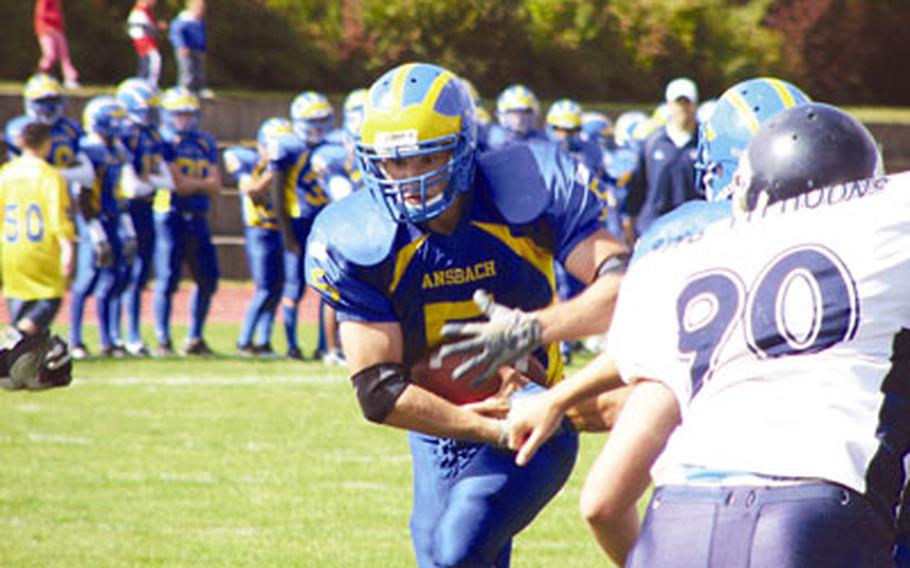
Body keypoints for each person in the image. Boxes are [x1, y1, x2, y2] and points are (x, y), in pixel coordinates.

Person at [305, 62, 628, 567]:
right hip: (438, 426)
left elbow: (625, 287)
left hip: (533, 411)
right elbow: (377, 390)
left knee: (459, 550)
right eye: (393, 162)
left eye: (425, 156)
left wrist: (531, 331)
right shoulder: (356, 235)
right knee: (442, 557)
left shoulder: (527, 184)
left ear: (462, 145)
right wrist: (481, 428)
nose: (409, 179)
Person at [504, 76, 813, 565]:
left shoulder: (686, 241)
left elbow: (607, 489)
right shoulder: (874, 237)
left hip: (711, 508)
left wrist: (550, 399)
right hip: (852, 497)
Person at [587, 103, 896, 567]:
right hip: (816, 508)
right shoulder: (887, 223)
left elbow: (603, 501)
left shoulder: (679, 258)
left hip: (677, 513)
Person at [152, 87, 220, 356]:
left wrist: (195, 185)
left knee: (208, 278)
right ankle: (162, 339)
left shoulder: (205, 141)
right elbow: (177, 186)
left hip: (198, 216)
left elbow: (216, 184)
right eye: (179, 114)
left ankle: (194, 337)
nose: (185, 120)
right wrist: (199, 185)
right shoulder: (164, 141)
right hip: (170, 215)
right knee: (168, 279)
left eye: (190, 114)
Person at [68, 97, 135, 359]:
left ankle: (108, 340)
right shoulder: (88, 150)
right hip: (93, 220)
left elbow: (119, 192)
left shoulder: (117, 150)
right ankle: (76, 339)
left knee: (113, 279)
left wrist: (127, 226)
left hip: (113, 217)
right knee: (87, 280)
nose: (120, 127)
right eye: (115, 122)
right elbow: (82, 194)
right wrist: (95, 232)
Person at [114, 78, 174, 356]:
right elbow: (131, 185)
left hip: (146, 208)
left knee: (139, 275)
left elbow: (168, 180)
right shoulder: (123, 134)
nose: (150, 113)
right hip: (124, 210)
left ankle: (133, 335)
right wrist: (152, 182)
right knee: (120, 275)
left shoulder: (153, 135)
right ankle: (115, 335)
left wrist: (150, 182)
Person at [0, 120, 74, 335]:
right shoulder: (50, 176)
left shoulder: (6, 173)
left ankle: (19, 359)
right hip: (41, 249)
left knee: (19, 303)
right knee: (49, 301)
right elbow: (57, 217)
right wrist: (68, 249)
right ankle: (11, 340)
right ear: (46, 143)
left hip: (11, 248)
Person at [226, 118, 291, 357]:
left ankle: (263, 341)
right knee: (264, 288)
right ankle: (244, 340)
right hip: (259, 231)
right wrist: (272, 172)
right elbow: (252, 190)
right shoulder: (254, 164)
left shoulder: (287, 167)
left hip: (278, 230)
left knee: (276, 288)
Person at [623, 77, 702, 243]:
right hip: (654, 227)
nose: (682, 108)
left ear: (694, 105)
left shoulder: (705, 142)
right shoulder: (653, 142)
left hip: (695, 227)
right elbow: (638, 184)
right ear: (669, 105)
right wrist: (630, 222)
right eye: (678, 103)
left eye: (687, 102)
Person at [482, 83, 548, 152]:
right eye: (514, 112)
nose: (520, 118)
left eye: (526, 112)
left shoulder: (541, 139)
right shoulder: (492, 137)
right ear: (501, 114)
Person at [169, 0, 212, 99]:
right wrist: (181, 45)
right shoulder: (183, 19)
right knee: (187, 69)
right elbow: (176, 34)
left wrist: (203, 49)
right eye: (200, 8)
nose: (202, 11)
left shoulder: (199, 21)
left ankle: (199, 89)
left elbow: (201, 36)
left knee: (199, 70)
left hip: (197, 49)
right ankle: (185, 89)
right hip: (185, 49)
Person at [33, 0, 79, 90]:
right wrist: (52, 21)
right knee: (50, 56)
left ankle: (70, 79)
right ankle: (39, 77)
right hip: (46, 30)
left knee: (64, 56)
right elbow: (41, 14)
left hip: (57, 30)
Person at [127, 0, 167, 88]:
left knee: (147, 64)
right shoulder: (139, 12)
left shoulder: (146, 12)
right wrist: (157, 28)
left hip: (147, 42)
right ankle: (148, 86)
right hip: (144, 42)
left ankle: (146, 85)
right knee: (153, 61)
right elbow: (139, 30)